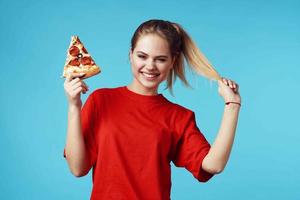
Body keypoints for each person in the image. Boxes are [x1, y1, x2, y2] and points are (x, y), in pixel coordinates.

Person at [63, 19, 241, 200]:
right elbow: (77, 168)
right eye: (142, 56)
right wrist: (74, 106)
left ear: (173, 61)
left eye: (161, 59)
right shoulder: (101, 101)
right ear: (130, 54)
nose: (150, 66)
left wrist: (232, 106)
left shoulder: (179, 117)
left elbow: (214, 165)